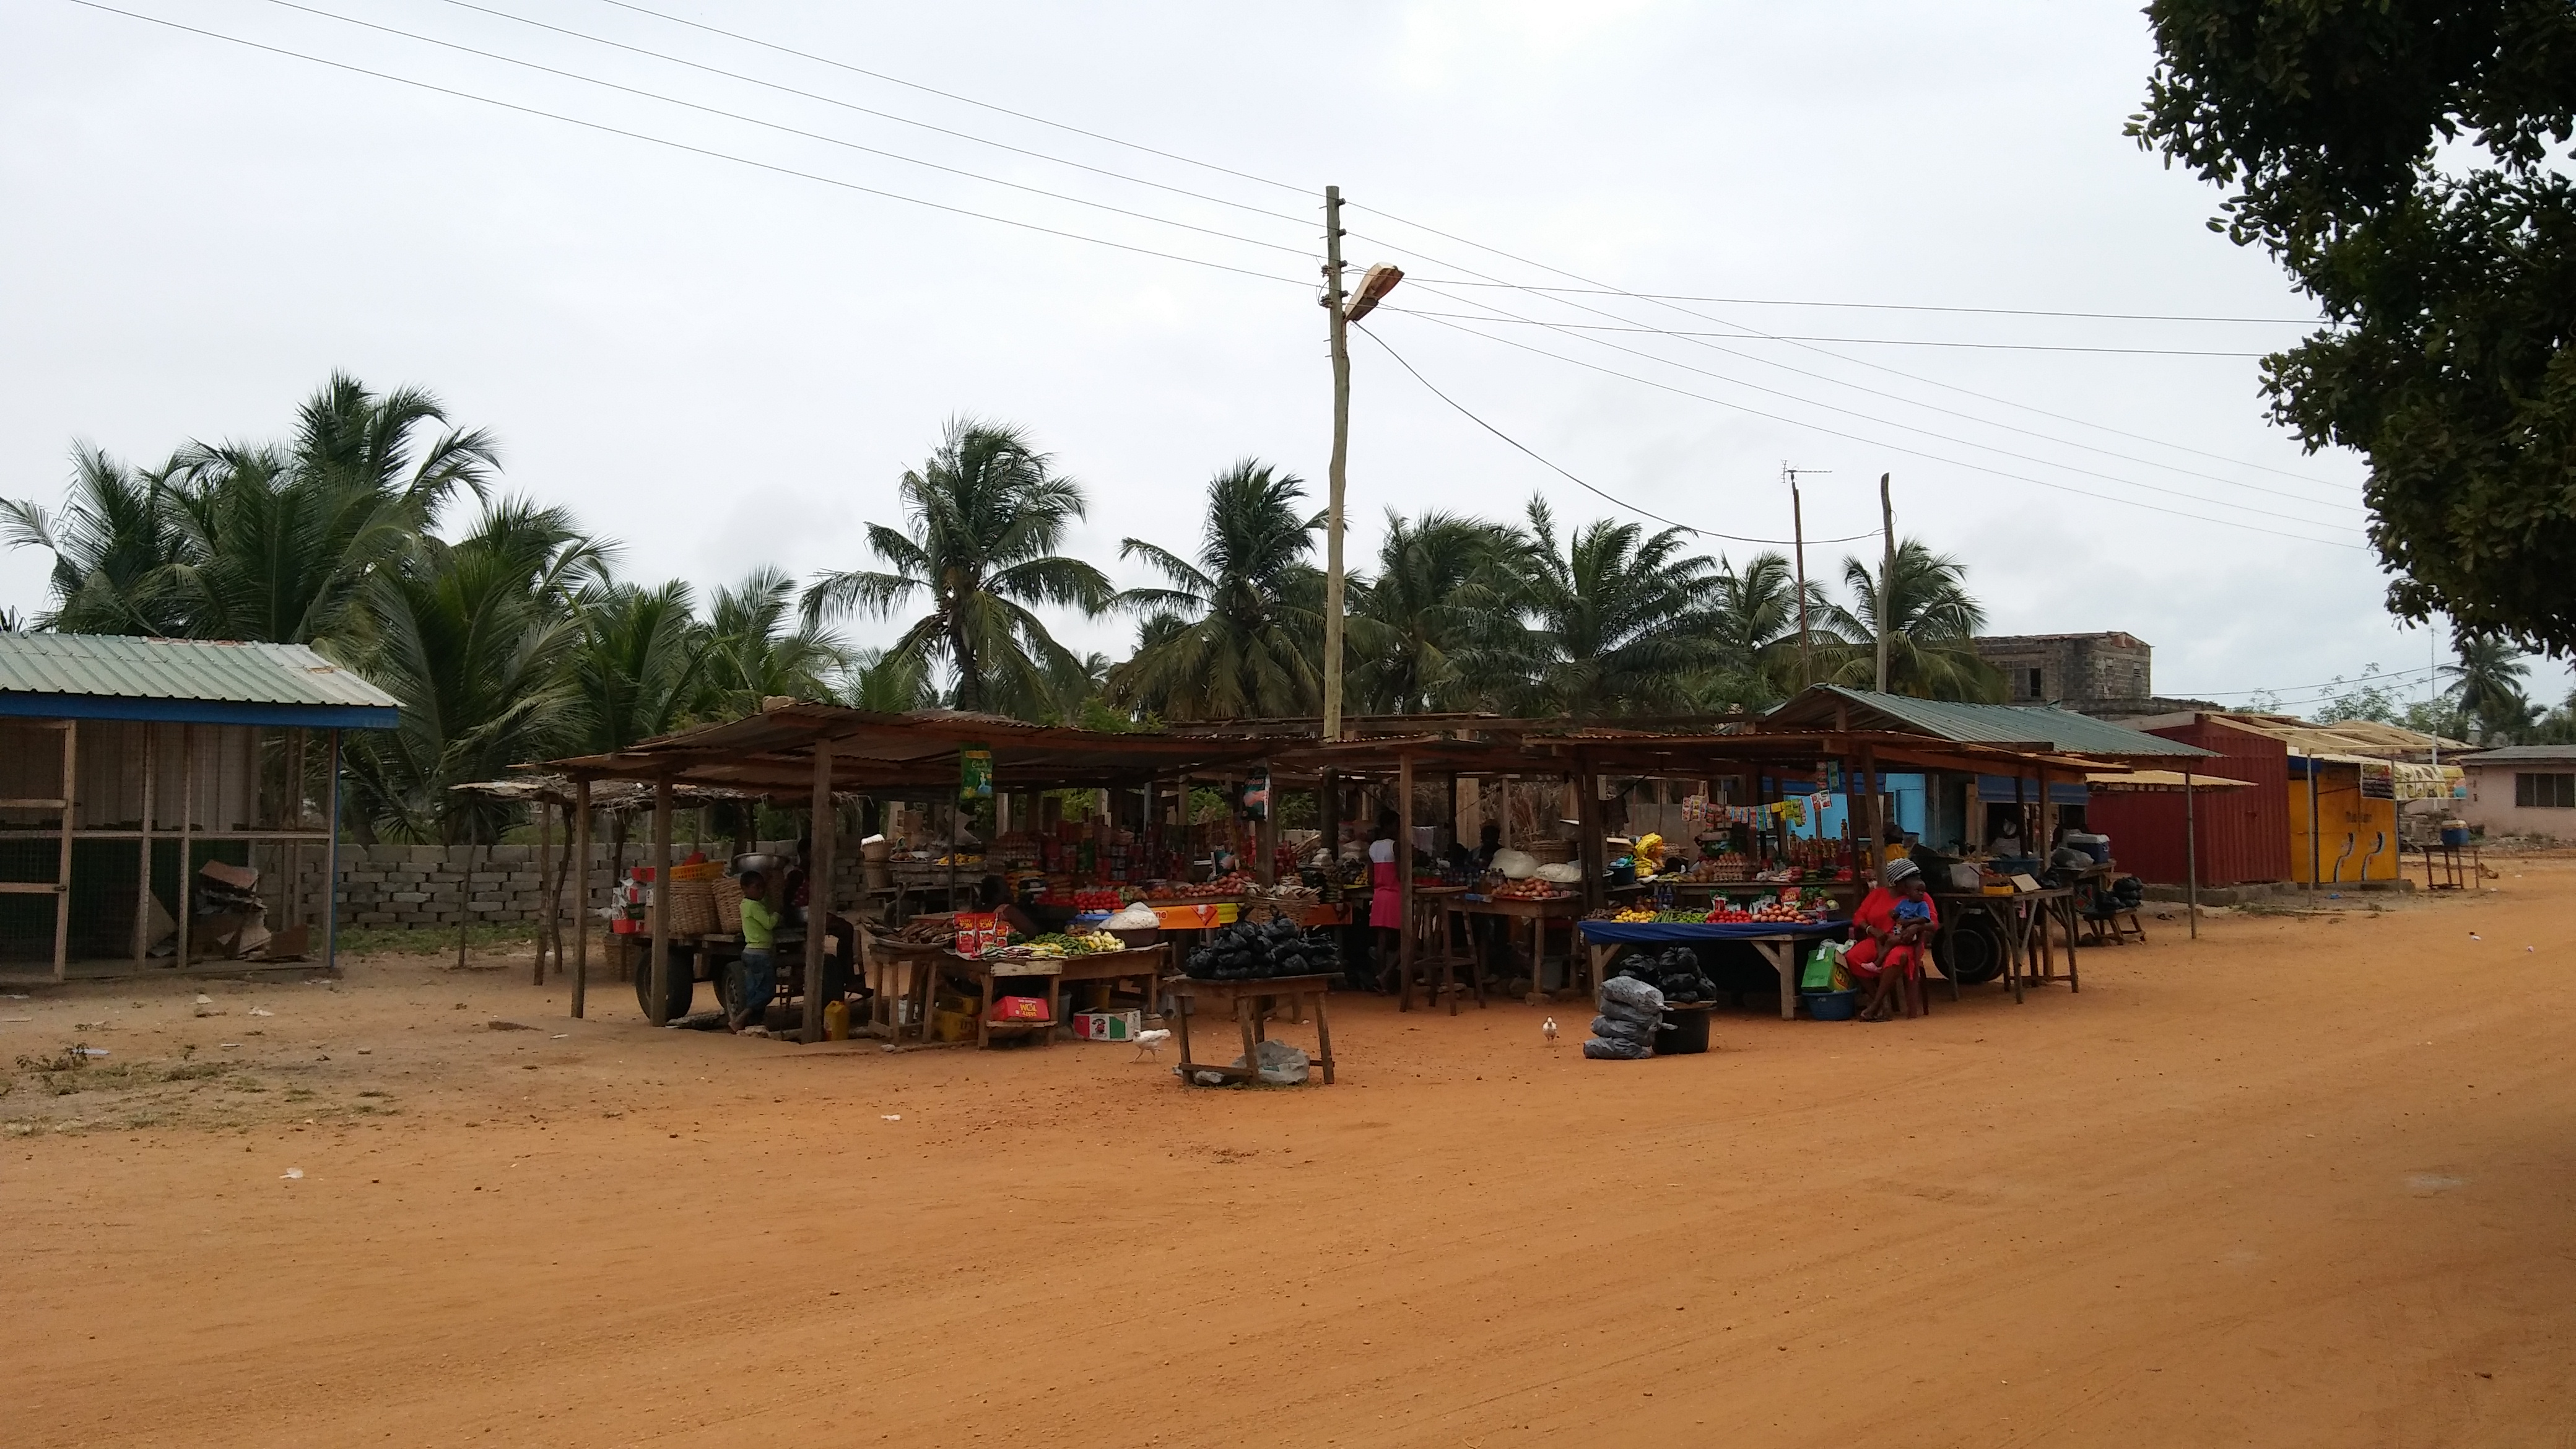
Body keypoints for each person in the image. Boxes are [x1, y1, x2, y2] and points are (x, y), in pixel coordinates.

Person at [1845, 857, 1938, 1022]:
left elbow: (1933, 923)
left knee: (1896, 957)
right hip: (1877, 940)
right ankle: (1880, 1003)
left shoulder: (1920, 896)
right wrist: (1872, 930)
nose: (1915, 882)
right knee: (1854, 957)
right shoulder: (1877, 894)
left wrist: (1916, 927)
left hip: (1907, 942)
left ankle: (1875, 1006)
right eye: (1909, 879)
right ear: (1898, 882)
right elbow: (1859, 917)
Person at [731, 869, 779, 1033]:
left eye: (762, 887)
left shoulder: (746, 904)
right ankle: (741, 1018)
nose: (761, 891)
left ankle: (753, 1023)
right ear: (745, 888)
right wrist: (778, 913)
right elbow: (769, 923)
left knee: (754, 991)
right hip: (760, 954)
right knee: (768, 992)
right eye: (757, 887)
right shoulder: (755, 907)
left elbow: (764, 900)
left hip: (750, 953)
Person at [1368, 812, 1404, 992]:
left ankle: (1383, 982)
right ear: (1389, 826)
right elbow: (1400, 874)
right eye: (1397, 825)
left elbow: (1370, 878)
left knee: (1381, 940)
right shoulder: (1395, 846)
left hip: (1379, 895)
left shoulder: (1373, 847)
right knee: (1407, 938)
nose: (1398, 829)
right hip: (1395, 894)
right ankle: (1386, 975)